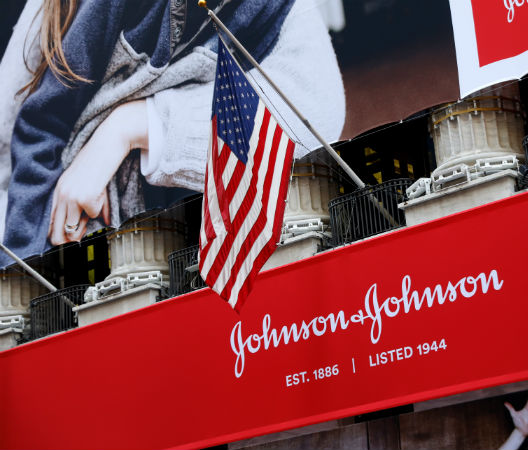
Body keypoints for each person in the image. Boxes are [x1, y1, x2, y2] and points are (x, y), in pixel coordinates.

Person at [1, 0, 345, 265]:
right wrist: (28, 280)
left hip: (203, 251)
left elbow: (313, 117)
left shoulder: (276, 10)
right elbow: (30, 129)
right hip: (81, 252)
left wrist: (137, 126)